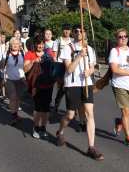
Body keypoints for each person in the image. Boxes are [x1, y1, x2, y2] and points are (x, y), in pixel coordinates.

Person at [55, 25, 104, 161]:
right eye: (76, 31)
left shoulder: (90, 49)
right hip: (72, 84)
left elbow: (93, 66)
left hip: (86, 84)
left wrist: (90, 71)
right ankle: (61, 131)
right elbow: (69, 69)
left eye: (81, 30)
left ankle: (91, 147)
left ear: (85, 33)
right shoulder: (67, 48)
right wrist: (79, 56)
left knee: (89, 114)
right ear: (73, 34)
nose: (78, 33)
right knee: (70, 115)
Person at [24, 37, 55, 139]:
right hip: (36, 85)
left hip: (48, 85)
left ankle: (43, 127)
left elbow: (54, 66)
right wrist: (33, 61)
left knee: (46, 108)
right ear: (35, 44)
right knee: (38, 107)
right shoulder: (30, 54)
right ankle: (36, 127)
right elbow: (25, 69)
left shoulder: (48, 53)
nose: (40, 46)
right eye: (38, 44)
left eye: (42, 44)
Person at [52, 23, 73, 111]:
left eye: (68, 29)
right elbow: (54, 54)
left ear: (70, 31)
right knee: (62, 86)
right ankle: (57, 103)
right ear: (62, 30)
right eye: (65, 29)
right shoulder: (58, 40)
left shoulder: (72, 41)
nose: (66, 31)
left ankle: (71, 108)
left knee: (70, 87)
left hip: (70, 65)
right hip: (60, 65)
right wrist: (56, 63)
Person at [4, 38, 26, 124]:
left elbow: (25, 66)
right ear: (10, 45)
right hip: (10, 80)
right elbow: (3, 66)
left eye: (17, 43)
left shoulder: (22, 53)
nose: (15, 45)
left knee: (18, 98)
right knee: (13, 98)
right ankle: (13, 116)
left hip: (20, 79)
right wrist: (4, 78)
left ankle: (16, 113)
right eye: (13, 43)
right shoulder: (7, 54)